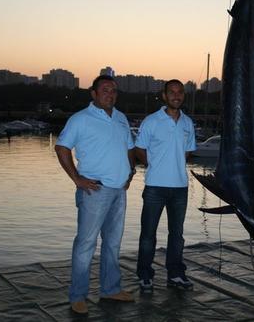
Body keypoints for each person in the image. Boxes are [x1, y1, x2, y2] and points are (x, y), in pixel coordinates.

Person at [55, 75, 136, 315]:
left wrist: (130, 173)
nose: (110, 94)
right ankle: (78, 296)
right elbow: (61, 147)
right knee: (86, 244)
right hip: (94, 191)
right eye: (105, 89)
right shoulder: (80, 119)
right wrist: (76, 178)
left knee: (112, 243)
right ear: (93, 93)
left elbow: (130, 148)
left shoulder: (121, 118)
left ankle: (110, 288)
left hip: (119, 191)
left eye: (113, 90)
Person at [135, 79, 196, 293]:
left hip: (180, 188)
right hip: (155, 187)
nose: (176, 96)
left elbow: (187, 152)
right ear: (164, 95)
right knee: (148, 235)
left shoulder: (188, 123)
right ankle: (145, 276)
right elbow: (139, 149)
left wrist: (174, 165)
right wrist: (154, 166)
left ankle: (176, 274)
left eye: (180, 92)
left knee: (176, 235)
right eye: (172, 92)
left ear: (183, 96)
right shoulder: (151, 121)